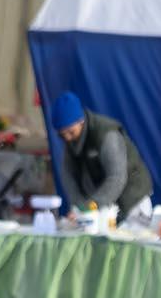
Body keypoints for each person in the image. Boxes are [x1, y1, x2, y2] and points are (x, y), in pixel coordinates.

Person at [50, 92, 153, 221]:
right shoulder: (71, 140)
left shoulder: (107, 135)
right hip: (106, 204)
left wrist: (92, 206)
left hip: (132, 200)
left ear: (81, 120)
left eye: (71, 132)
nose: (67, 138)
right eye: (62, 135)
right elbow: (68, 175)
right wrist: (78, 206)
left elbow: (117, 177)